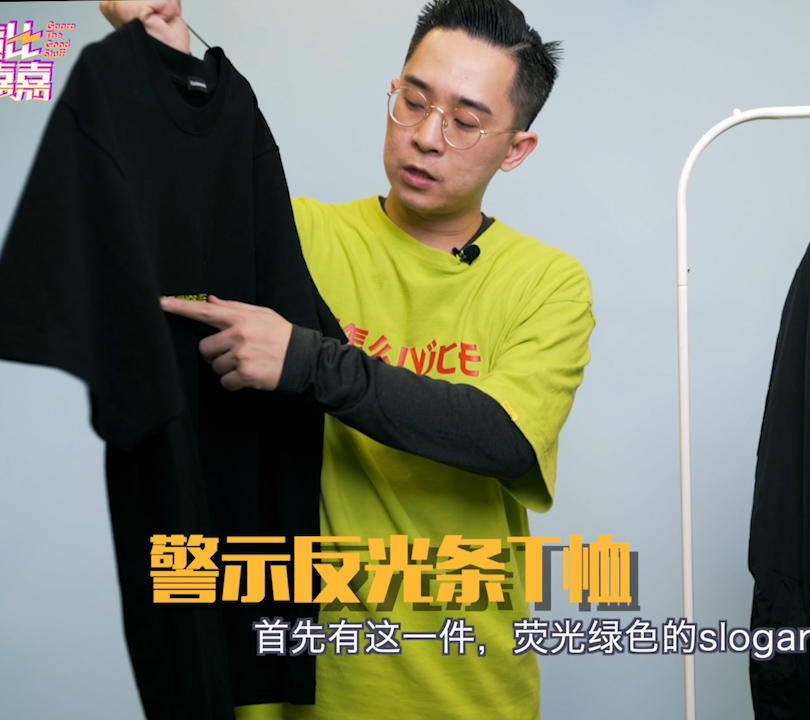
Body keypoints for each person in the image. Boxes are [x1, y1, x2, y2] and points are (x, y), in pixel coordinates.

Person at [99, 1, 594, 718]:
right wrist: (165, 58)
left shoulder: (547, 281)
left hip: (462, 689)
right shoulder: (300, 234)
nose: (425, 137)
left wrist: (306, 361)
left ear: (516, 149)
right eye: (413, 101)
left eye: (464, 122)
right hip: (286, 683)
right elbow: (171, 227)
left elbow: (502, 435)